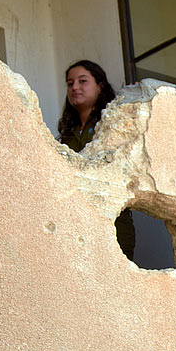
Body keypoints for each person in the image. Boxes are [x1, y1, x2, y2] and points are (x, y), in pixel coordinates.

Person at [58, 60, 135, 260]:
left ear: (100, 86)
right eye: (70, 83)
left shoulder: (112, 123)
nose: (74, 87)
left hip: (112, 221)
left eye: (82, 81)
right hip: (76, 223)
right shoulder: (67, 133)